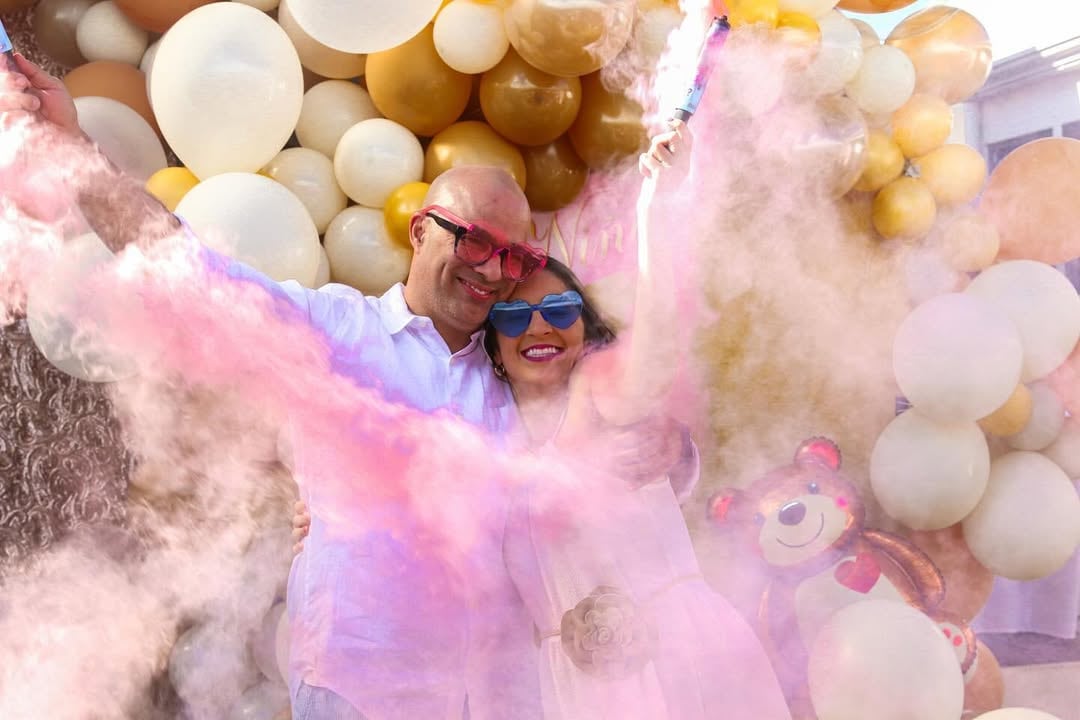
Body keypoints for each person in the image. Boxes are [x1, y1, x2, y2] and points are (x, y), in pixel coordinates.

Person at [0, 56, 693, 720]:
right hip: (362, 689)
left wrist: (671, 448)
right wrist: (73, 146)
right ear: (422, 230)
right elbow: (175, 258)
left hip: (504, 697)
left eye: (516, 257)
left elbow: (618, 428)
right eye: (476, 242)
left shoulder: (519, 368)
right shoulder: (334, 330)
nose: (494, 271)